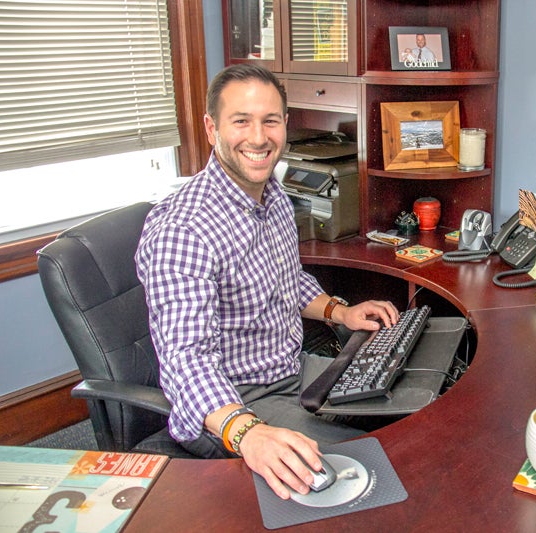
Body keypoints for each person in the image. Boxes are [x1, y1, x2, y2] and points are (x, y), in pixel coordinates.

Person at [135, 63, 399, 500]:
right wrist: (248, 435)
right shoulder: (183, 229)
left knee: (399, 400)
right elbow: (186, 358)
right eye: (241, 121)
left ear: (285, 125)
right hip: (235, 402)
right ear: (210, 127)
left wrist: (341, 311)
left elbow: (287, 280)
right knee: (369, 472)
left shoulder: (271, 196)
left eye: (270, 121)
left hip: (291, 372)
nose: (258, 138)